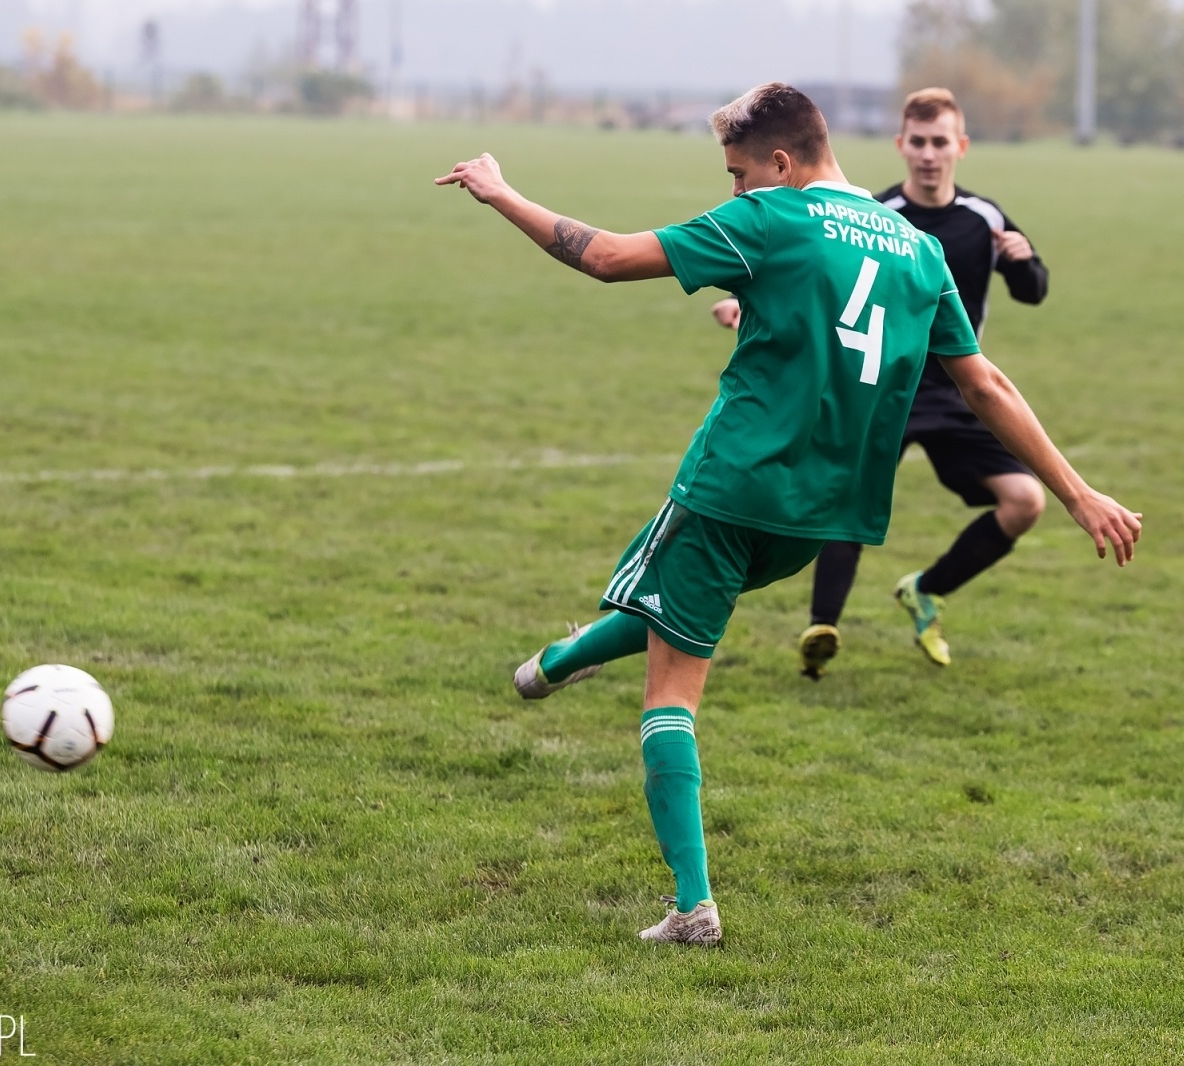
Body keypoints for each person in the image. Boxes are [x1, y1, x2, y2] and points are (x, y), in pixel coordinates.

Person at [436, 83, 1140, 946]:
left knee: (672, 692)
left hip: (732, 486)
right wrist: (1079, 493)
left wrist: (501, 191)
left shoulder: (773, 220)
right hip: (819, 511)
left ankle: (692, 905)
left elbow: (608, 257)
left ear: (781, 162)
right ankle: (555, 663)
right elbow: (985, 383)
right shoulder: (919, 252)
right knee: (682, 606)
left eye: (739, 175)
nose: (735, 192)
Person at [716, 88, 1052, 678]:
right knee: (845, 504)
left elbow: (1033, 293)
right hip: (879, 387)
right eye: (917, 142)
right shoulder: (878, 214)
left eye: (940, 142)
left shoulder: (985, 218)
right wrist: (751, 307)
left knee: (1025, 501)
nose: (928, 154)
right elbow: (819, 282)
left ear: (960, 147)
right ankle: (823, 625)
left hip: (954, 394)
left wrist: (1024, 262)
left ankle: (926, 589)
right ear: (901, 145)